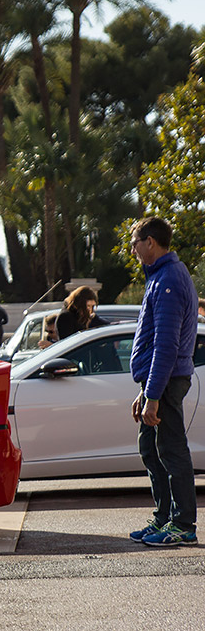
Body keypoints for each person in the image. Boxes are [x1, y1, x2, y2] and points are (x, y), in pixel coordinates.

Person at [127, 216, 198, 547]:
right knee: (151, 448)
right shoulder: (161, 276)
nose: (133, 249)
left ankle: (182, 524)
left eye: (135, 243)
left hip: (167, 380)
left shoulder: (168, 278)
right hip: (159, 381)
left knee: (170, 450)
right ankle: (164, 517)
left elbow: (166, 345)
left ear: (150, 242)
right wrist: (146, 391)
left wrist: (152, 394)